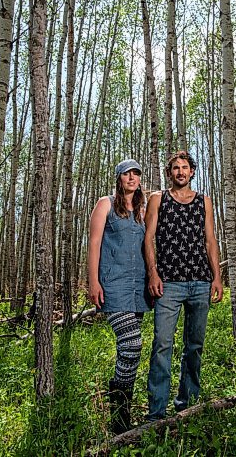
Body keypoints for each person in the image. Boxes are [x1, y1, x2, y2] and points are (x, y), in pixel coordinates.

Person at [145, 150, 223, 420]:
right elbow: (149, 239)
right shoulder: (158, 199)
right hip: (169, 284)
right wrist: (153, 274)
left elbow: (211, 241)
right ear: (170, 173)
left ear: (192, 171)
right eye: (176, 168)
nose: (180, 171)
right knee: (162, 345)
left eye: (185, 167)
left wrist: (217, 277)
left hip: (200, 281)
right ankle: (156, 412)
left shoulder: (205, 201)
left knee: (194, 345)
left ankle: (186, 405)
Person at [88, 159, 152, 434]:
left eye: (136, 173)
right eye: (127, 173)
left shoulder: (143, 209)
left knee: (128, 351)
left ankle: (121, 411)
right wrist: (93, 282)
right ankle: (119, 411)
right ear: (118, 177)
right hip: (113, 285)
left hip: (139, 286)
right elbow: (94, 243)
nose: (132, 178)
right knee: (133, 342)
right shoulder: (105, 203)